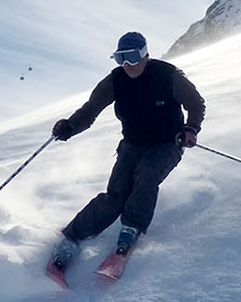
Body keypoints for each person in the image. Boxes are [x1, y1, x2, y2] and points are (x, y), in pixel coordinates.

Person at [45, 31, 205, 282]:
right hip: (132, 144)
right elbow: (90, 110)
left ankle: (130, 231)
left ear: (145, 55)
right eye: (121, 58)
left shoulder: (168, 76)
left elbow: (196, 104)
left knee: (147, 177)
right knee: (116, 195)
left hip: (166, 143)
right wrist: (69, 127)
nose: (128, 65)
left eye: (132, 57)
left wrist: (190, 129)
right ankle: (72, 237)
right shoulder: (115, 81)